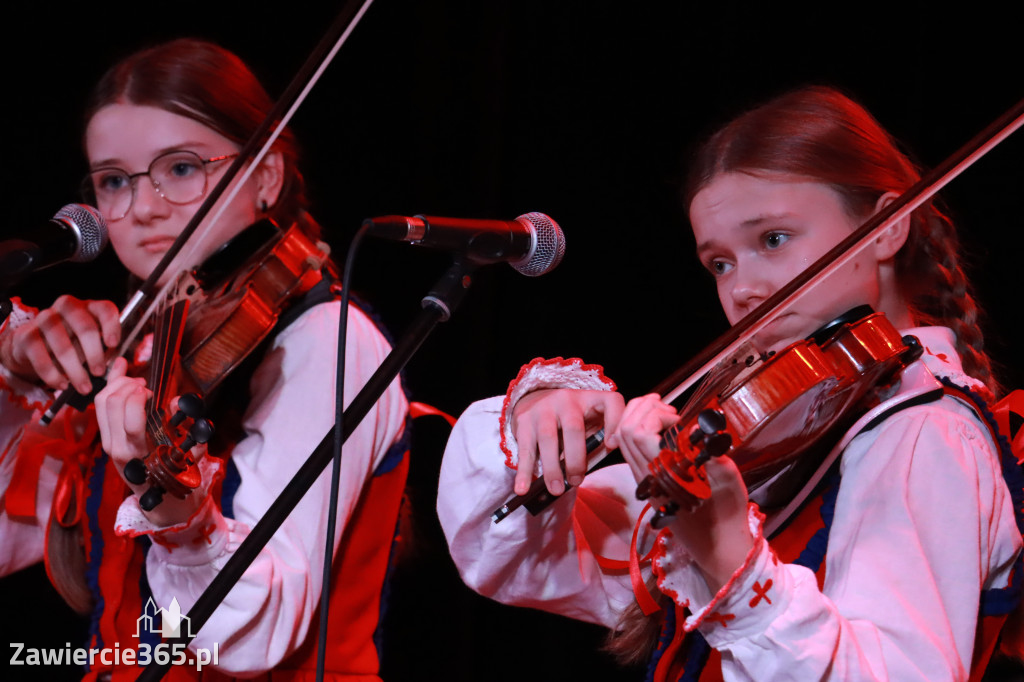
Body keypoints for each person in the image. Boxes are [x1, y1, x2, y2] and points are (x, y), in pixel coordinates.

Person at [437, 86, 1024, 681]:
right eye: (720, 263)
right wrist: (540, 419)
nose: (741, 289)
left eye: (772, 239)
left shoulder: (924, 430)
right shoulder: (785, 431)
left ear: (883, 230)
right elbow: (510, 559)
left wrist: (729, 561)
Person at [0, 38, 409, 681]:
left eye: (182, 168)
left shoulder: (327, 342)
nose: (145, 207)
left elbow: (247, 641)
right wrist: (14, 376)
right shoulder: (142, 348)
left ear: (266, 176)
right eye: (114, 181)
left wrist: (176, 513)